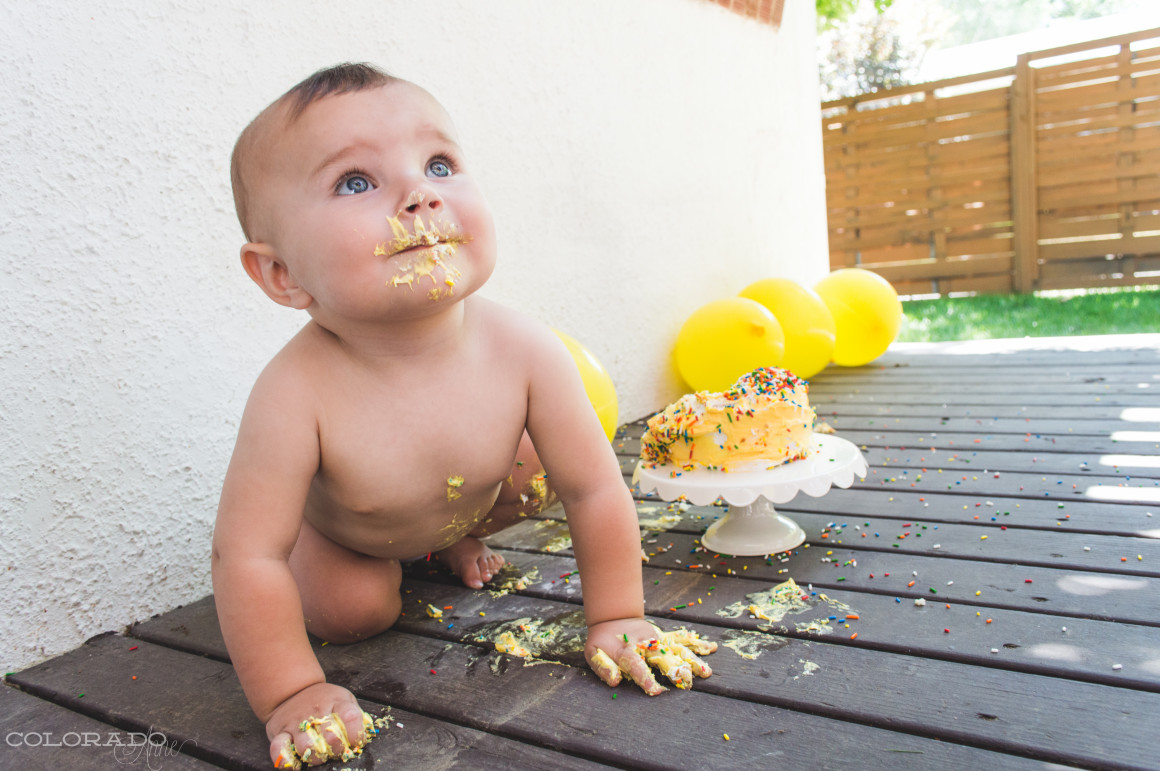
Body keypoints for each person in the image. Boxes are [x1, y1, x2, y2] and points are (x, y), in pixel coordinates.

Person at [212, 63, 714, 768]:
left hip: (462, 500)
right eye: (356, 182)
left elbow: (594, 488)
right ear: (282, 275)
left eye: (439, 163)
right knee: (353, 612)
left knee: (544, 468)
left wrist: (618, 614)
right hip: (352, 533)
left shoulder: (524, 347)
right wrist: (290, 690)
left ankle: (449, 541)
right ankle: (351, 558)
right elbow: (245, 555)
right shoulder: (294, 391)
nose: (419, 194)